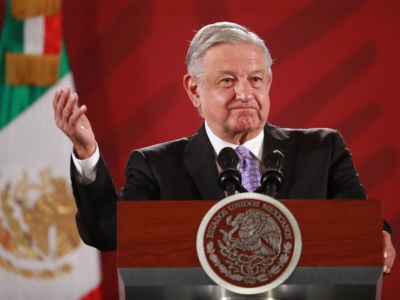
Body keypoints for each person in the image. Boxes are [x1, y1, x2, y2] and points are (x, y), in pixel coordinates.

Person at [53, 21, 395, 274]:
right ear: (194, 90)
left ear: (269, 84)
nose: (245, 93)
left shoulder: (323, 150)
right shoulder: (156, 165)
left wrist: (378, 235)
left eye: (255, 79)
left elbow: (360, 225)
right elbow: (106, 232)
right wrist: (86, 153)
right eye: (227, 80)